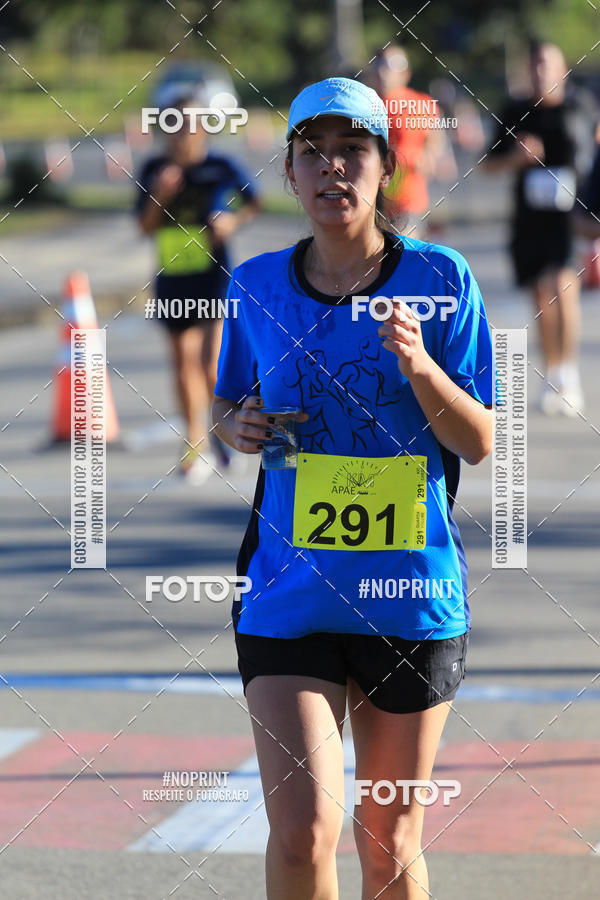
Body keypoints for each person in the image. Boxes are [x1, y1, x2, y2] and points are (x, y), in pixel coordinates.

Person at [213, 77, 494, 899]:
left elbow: (478, 442)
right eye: (313, 153)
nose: (332, 168)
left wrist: (422, 368)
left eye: (352, 151)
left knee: (387, 838)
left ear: (385, 168)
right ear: (290, 173)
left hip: (409, 596)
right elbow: (228, 402)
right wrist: (235, 426)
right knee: (303, 833)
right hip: (288, 590)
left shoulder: (441, 279)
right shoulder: (256, 285)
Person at [136, 91, 260, 482]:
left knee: (210, 364)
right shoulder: (154, 169)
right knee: (182, 363)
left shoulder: (221, 166)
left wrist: (232, 221)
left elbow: (253, 202)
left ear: (204, 127)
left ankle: (222, 431)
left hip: (214, 276)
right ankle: (194, 443)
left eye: (190, 123)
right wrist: (160, 195)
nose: (182, 132)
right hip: (173, 278)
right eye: (173, 124)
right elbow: (144, 228)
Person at [483, 41, 598, 416]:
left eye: (547, 64)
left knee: (563, 286)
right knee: (541, 297)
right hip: (529, 220)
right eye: (533, 65)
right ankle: (553, 372)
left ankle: (568, 373)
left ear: (562, 69)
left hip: (571, 218)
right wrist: (517, 159)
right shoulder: (515, 111)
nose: (540, 72)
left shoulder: (581, 108)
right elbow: (487, 165)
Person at [370, 46, 450, 239]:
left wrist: (426, 158)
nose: (383, 72)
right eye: (379, 64)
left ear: (406, 73)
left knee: (402, 249)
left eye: (390, 65)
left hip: (408, 201)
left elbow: (436, 144)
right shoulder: (363, 106)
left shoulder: (421, 104)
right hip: (370, 201)